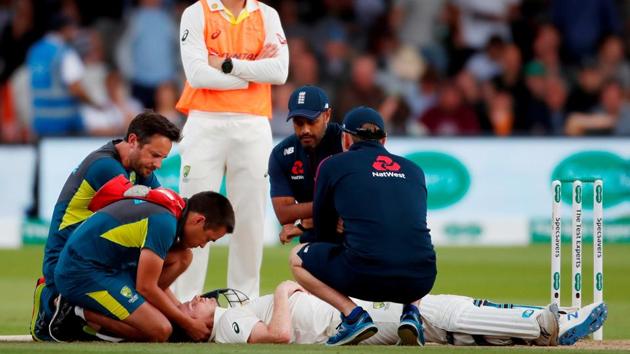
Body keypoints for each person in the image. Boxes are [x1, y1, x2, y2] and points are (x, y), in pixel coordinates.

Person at [290, 107, 437, 346]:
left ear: (345, 138)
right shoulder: (414, 170)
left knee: (297, 257)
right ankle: (411, 314)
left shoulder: (332, 165)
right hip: (420, 280)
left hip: (364, 276)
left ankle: (353, 316)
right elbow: (409, 223)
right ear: (384, 140)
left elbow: (323, 234)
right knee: (418, 246)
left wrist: (334, 231)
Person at [172, 0, 289, 301]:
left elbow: (279, 72)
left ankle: (244, 301)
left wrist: (226, 65)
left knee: (250, 217)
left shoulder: (267, 14)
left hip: (252, 124)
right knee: (193, 214)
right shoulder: (196, 12)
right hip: (204, 121)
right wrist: (252, 73)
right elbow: (197, 74)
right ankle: (186, 303)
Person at [30, 112, 181, 341]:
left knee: (179, 257)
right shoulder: (103, 166)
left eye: (163, 158)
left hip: (97, 261)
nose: (158, 165)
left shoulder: (139, 167)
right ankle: (62, 305)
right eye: (155, 155)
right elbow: (153, 200)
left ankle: (87, 314)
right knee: (158, 329)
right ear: (133, 141)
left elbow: (163, 205)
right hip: (66, 265)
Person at [49, 188, 235, 342]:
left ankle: (138, 311)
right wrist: (187, 323)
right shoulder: (165, 223)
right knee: (160, 330)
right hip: (81, 273)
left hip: (106, 267)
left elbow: (152, 282)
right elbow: (146, 287)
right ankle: (74, 311)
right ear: (199, 220)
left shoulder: (174, 208)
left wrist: (179, 312)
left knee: (183, 256)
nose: (203, 245)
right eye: (208, 239)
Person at [177, 281, 607, 347]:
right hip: (337, 326)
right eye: (187, 306)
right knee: (439, 311)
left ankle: (552, 321)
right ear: (196, 325)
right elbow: (279, 337)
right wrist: (286, 290)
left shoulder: (225, 314)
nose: (195, 299)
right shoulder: (221, 323)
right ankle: (546, 324)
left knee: (439, 315)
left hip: (345, 316)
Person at [267, 85, 342, 244]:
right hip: (318, 234)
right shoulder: (281, 154)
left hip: (353, 233)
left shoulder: (346, 142)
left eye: (311, 121)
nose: (305, 130)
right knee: (298, 258)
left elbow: (364, 199)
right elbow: (284, 214)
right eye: (298, 123)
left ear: (327, 115)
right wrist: (331, 212)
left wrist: (310, 219)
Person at [26, 14, 101, 137]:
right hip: (64, 122)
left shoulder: (35, 50)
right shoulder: (65, 53)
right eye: (74, 29)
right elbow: (75, 88)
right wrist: (95, 104)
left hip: (40, 119)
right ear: (65, 29)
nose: (76, 33)